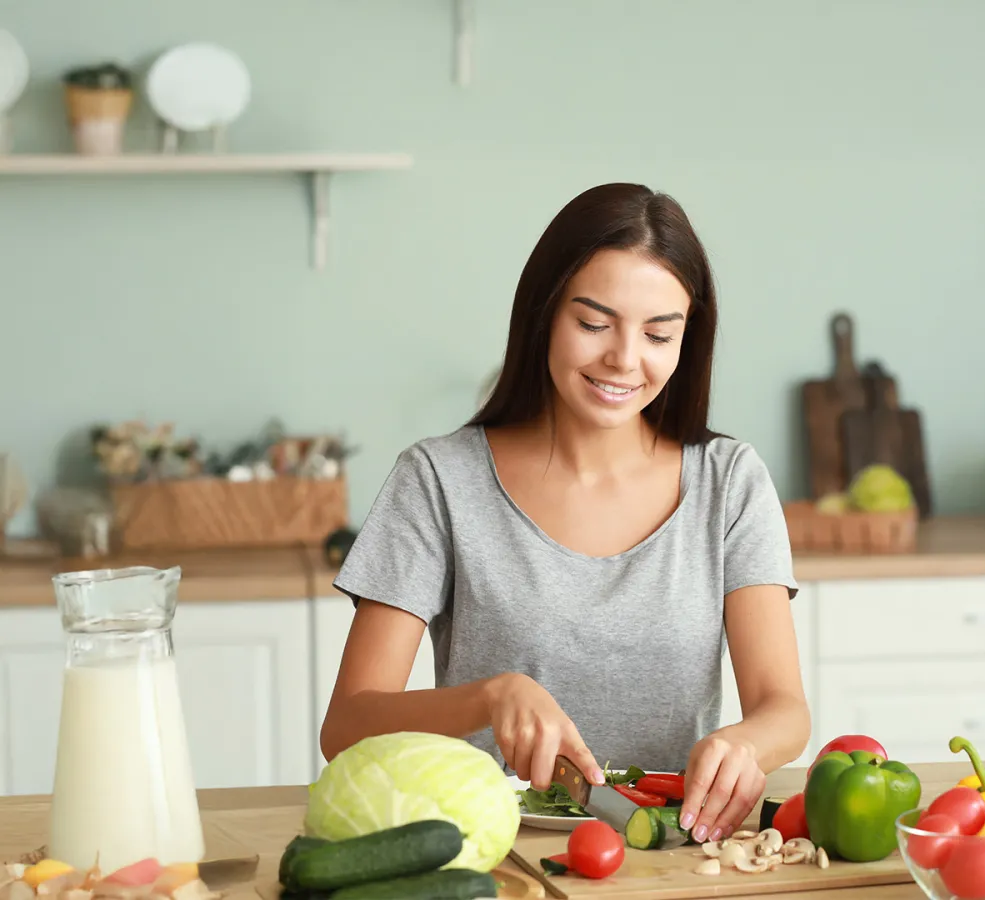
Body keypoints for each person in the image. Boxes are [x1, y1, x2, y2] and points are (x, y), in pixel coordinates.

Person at [321, 182, 810, 845]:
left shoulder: (729, 481)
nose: (624, 359)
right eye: (593, 324)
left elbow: (784, 709)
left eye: (658, 334)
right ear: (544, 314)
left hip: (667, 856)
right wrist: (490, 697)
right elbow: (346, 727)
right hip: (492, 856)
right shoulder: (437, 480)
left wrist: (746, 745)